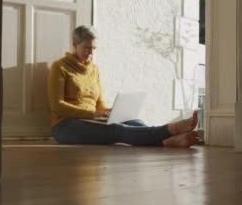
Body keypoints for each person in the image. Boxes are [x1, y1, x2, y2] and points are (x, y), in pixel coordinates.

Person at [47, 25, 200, 147]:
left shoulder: (94, 69)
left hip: (91, 120)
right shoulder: (60, 67)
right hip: (65, 126)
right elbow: (57, 106)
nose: (91, 52)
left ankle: (168, 142)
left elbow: (99, 103)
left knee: (136, 123)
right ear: (75, 44)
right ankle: (171, 129)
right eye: (87, 47)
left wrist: (110, 112)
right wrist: (92, 114)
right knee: (117, 130)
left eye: (94, 48)